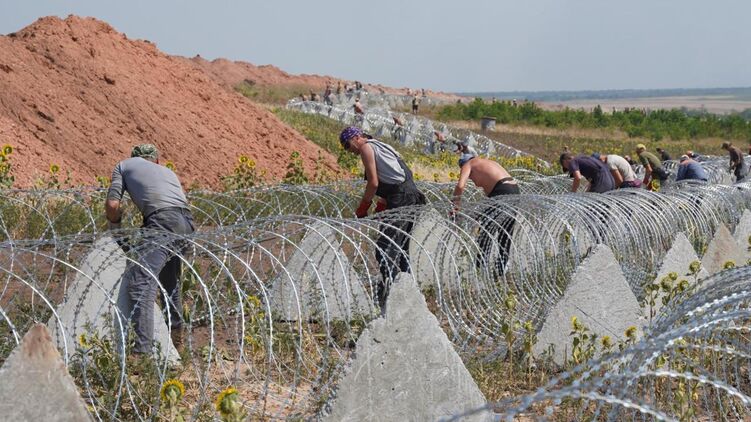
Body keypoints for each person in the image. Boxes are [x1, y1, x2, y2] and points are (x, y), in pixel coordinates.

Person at [106, 144, 194, 355]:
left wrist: (116, 227)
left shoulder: (123, 166)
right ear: (156, 160)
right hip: (187, 223)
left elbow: (112, 205)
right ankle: (176, 342)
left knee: (141, 284)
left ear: (135, 157)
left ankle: (142, 353)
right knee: (170, 283)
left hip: (162, 221)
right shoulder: (167, 171)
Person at [339, 127, 425, 310]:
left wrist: (364, 206)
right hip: (410, 195)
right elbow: (396, 176)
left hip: (402, 197)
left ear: (356, 138)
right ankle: (407, 291)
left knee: (386, 247)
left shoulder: (366, 148)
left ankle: (391, 293)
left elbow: (373, 182)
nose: (349, 151)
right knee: (402, 246)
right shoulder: (381, 146)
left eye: (347, 145)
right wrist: (383, 203)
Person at [452, 154, 519, 276]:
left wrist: (455, 206)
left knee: (486, 228)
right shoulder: (486, 163)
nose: (470, 178)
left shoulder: (468, 164)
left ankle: (480, 265)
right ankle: (502, 267)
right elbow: (489, 197)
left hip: (502, 190)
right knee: (505, 230)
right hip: (514, 189)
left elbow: (460, 186)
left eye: (470, 176)